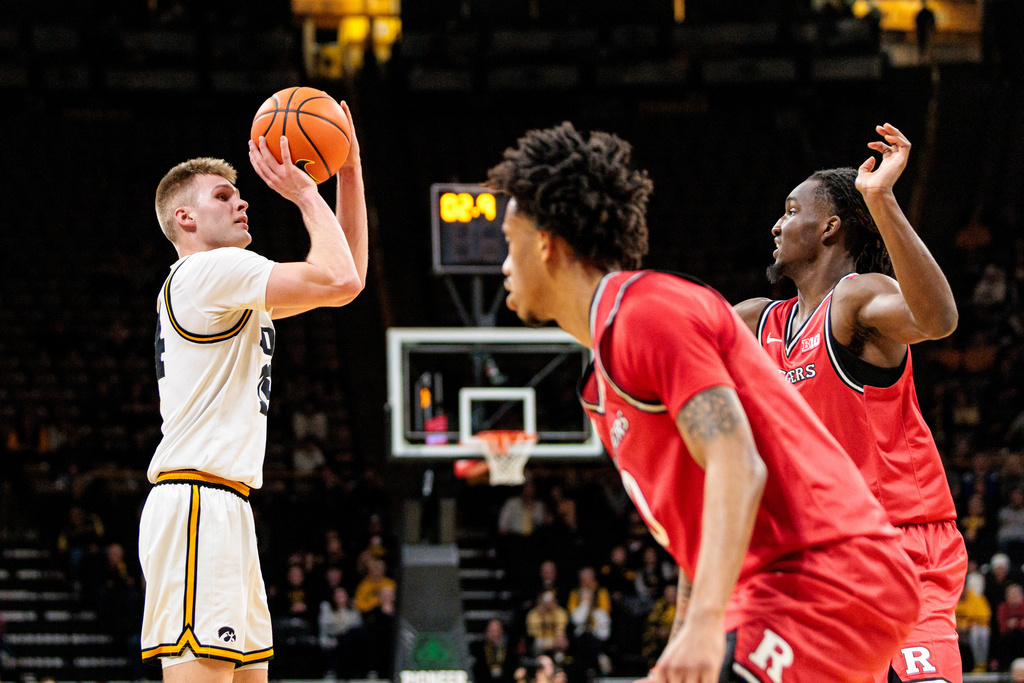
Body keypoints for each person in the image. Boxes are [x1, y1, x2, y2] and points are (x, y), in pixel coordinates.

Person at [488, 121, 922, 683]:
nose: (503, 263)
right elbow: (701, 526)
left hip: (827, 577)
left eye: (508, 241)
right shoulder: (601, 381)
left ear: (546, 243)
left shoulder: (646, 311)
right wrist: (683, 637)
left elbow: (737, 464)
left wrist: (705, 625)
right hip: (774, 591)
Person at [139, 100, 367, 682]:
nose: (242, 200)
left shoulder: (223, 285)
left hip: (225, 505)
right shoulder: (208, 272)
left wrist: (347, 169)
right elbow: (338, 277)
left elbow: (350, 281)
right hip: (196, 503)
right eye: (222, 196)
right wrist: (303, 191)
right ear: (184, 219)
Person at [734, 123, 967, 683]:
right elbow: (670, 331)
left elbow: (938, 320)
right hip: (815, 560)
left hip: (900, 546)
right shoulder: (758, 321)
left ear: (830, 227)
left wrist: (880, 199)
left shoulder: (858, 298)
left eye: (791, 211)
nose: (777, 223)